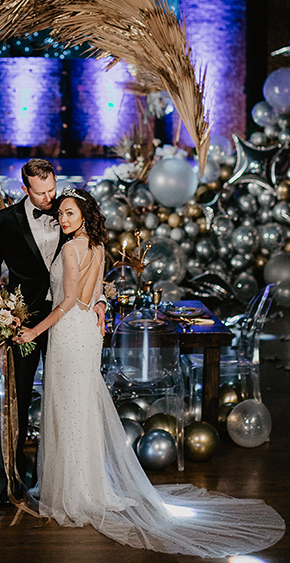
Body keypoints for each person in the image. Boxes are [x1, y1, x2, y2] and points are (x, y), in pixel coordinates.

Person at [16, 187, 285, 558]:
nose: (63, 219)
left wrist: (33, 330)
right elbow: (94, 294)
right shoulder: (95, 246)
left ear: (84, 215)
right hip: (87, 335)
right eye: (60, 214)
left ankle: (73, 494)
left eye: (69, 213)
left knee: (68, 409)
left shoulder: (71, 249)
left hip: (68, 334)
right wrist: (100, 307)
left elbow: (65, 302)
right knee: (81, 409)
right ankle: (89, 486)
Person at [0, 159, 105, 508]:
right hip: (25, 322)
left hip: (67, 325)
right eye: (41, 193)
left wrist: (101, 301)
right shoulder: (6, 221)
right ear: (25, 189)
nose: (50, 198)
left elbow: (90, 267)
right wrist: (2, 310)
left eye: (53, 189)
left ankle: (60, 478)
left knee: (67, 401)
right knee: (16, 399)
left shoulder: (70, 212)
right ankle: (13, 479)